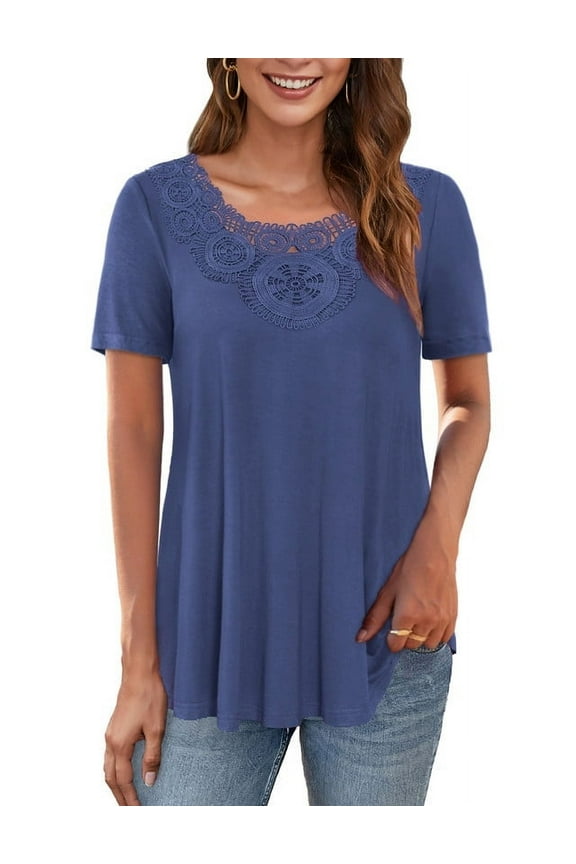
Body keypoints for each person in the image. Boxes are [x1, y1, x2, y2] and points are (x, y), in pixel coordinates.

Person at [91, 58, 491, 806]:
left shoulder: (424, 206)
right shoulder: (152, 208)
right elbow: (133, 433)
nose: (296, 56)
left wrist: (437, 552)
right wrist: (137, 661)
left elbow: (467, 402)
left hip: (390, 635)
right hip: (206, 645)